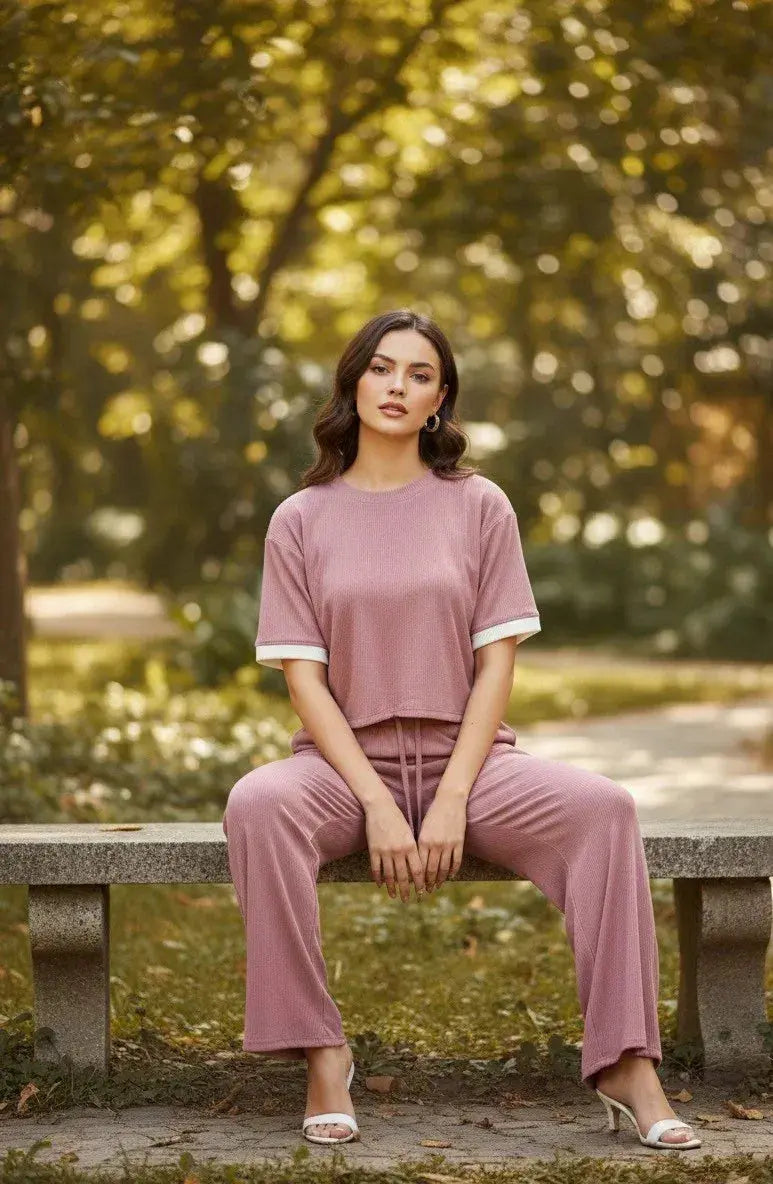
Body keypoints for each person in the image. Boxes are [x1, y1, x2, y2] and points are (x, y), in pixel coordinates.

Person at [222, 308, 700, 1150]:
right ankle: (322, 1052)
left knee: (604, 810)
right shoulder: (300, 518)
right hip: (343, 767)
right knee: (258, 804)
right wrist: (373, 800)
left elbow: (496, 668)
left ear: (440, 399)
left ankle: (626, 1062)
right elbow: (304, 679)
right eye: (380, 368)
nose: (396, 386)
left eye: (417, 374)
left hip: (470, 760)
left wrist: (450, 797)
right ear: (353, 382)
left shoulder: (478, 506)